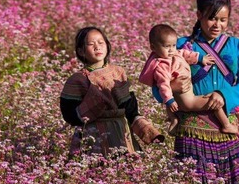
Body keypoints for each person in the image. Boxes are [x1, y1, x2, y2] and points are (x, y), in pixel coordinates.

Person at [174, 0, 239, 184]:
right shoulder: (181, 46)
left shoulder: (236, 46)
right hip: (192, 130)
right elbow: (159, 82)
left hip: (226, 128)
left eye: (222, 20)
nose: (217, 25)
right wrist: (177, 99)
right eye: (211, 18)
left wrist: (223, 96)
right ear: (199, 15)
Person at [60, 26, 164, 157]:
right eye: (91, 44)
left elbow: (129, 106)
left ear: (107, 46)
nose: (97, 47)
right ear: (81, 51)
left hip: (120, 132)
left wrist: (146, 129)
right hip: (93, 135)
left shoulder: (118, 72)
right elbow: (69, 114)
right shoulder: (77, 79)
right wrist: (90, 107)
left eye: (101, 42)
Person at [139, 24, 239, 135]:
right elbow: (163, 85)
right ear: (153, 47)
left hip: (185, 97)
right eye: (167, 47)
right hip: (188, 101)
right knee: (214, 102)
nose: (171, 50)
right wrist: (170, 100)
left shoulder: (174, 54)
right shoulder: (161, 66)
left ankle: (174, 120)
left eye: (173, 45)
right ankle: (226, 125)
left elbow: (185, 53)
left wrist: (201, 58)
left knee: (212, 97)